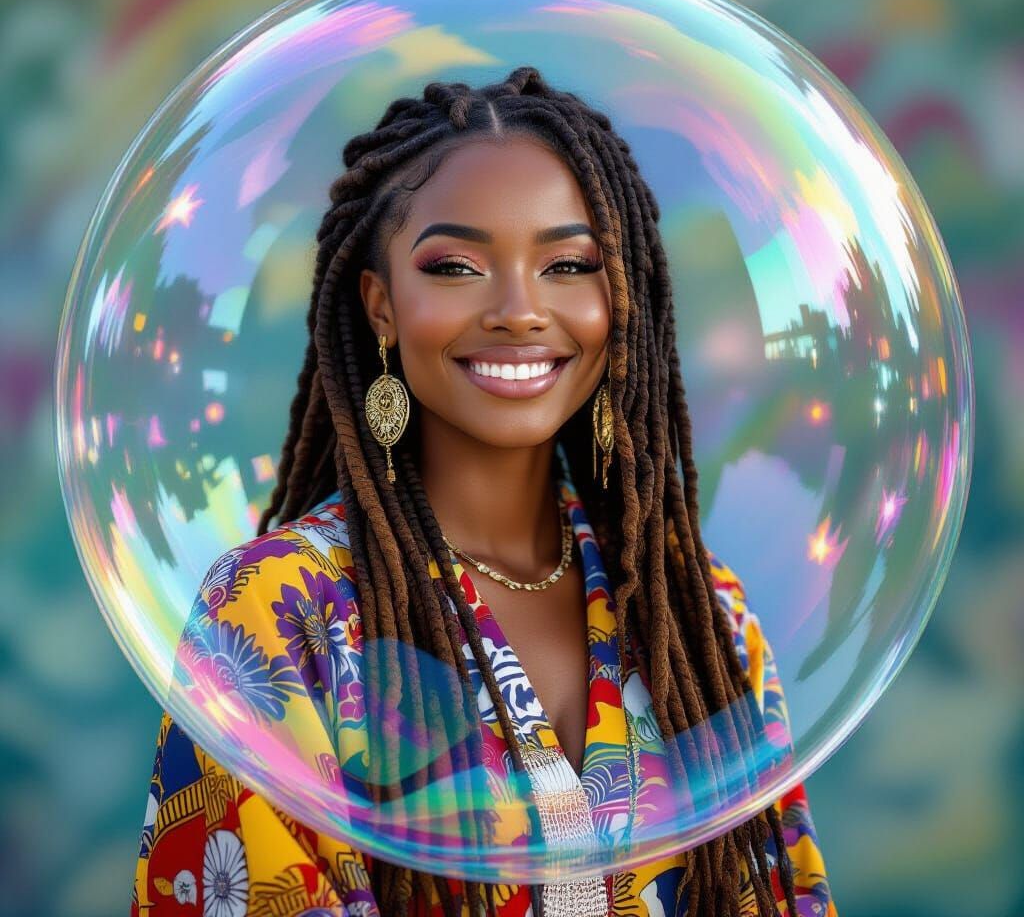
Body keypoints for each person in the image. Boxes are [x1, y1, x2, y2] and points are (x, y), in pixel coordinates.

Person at [130, 67, 837, 916]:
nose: (518, 311)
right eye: (457, 267)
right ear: (381, 306)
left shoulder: (704, 616)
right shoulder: (276, 611)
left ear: (622, 298)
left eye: (568, 264)